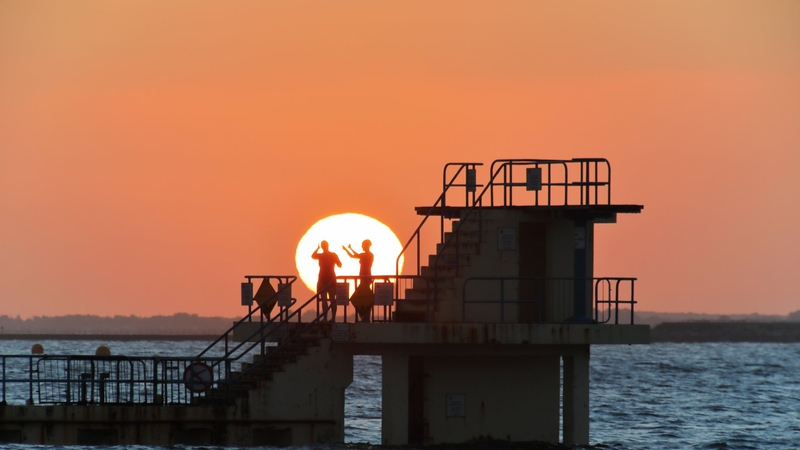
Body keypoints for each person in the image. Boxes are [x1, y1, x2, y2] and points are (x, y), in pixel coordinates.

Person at [343, 240, 375, 322]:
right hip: (364, 278)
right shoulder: (367, 255)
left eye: (363, 245)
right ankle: (365, 317)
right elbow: (355, 255)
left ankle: (366, 317)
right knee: (364, 297)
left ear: (366, 246)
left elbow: (355, 255)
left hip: (366, 278)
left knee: (363, 297)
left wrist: (348, 249)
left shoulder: (368, 255)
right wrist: (349, 249)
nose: (362, 247)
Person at [311, 240, 342, 322]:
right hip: (327, 279)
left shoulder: (324, 255)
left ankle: (327, 318)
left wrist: (317, 249)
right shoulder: (332, 255)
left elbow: (313, 255)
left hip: (327, 279)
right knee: (331, 299)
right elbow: (340, 265)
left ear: (323, 247)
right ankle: (331, 318)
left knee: (326, 300)